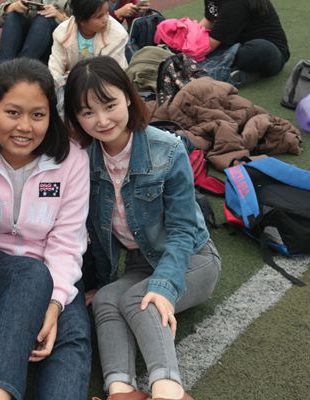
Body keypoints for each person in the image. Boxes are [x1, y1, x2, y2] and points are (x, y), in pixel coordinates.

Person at [64, 56, 221, 400]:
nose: (102, 120)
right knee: (107, 299)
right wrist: (102, 281)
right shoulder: (82, 160)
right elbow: (93, 233)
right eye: (87, 112)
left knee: (140, 299)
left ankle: (169, 392)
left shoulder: (167, 149)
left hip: (192, 259)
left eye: (109, 105)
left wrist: (165, 286)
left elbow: (183, 230)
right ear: (75, 116)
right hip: (140, 262)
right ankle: (121, 391)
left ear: (128, 96)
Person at [0, 57, 91, 400]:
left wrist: (54, 305)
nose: (25, 127)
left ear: (51, 116)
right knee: (29, 275)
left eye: (37, 115)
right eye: (13, 112)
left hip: (50, 273)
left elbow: (67, 242)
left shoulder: (72, 161)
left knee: (72, 333)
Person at [200, 0, 290, 82]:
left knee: (257, 50)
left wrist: (193, 51)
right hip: (233, 42)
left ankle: (228, 67)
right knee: (205, 48)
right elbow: (209, 20)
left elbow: (210, 45)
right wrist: (193, 35)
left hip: (271, 53)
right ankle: (235, 68)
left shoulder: (235, 3)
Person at [48, 0, 128, 87]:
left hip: (104, 86)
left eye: (107, 12)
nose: (106, 19)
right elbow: (55, 68)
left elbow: (112, 74)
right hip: (71, 84)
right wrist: (58, 86)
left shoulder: (117, 35)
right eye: (99, 16)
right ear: (82, 21)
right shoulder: (62, 33)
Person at [0, 0, 71, 65]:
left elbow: (78, 25)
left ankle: (21, 68)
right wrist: (11, 7)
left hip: (53, 45)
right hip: (26, 41)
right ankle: (3, 67)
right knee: (12, 16)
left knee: (43, 20)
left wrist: (60, 16)